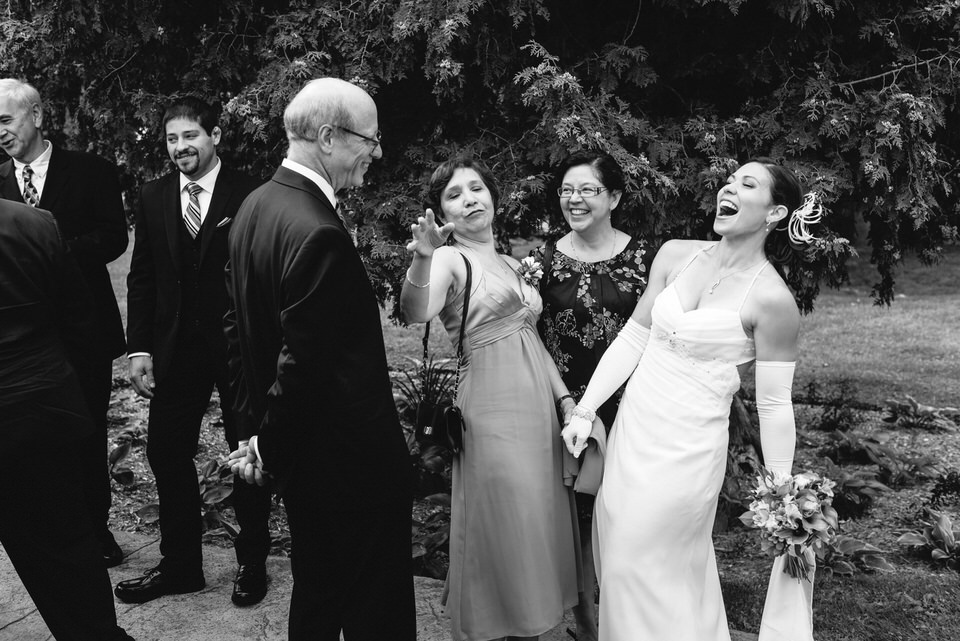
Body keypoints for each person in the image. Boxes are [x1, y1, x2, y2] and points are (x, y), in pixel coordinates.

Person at [562, 158, 823, 641]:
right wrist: (586, 407)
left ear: (774, 213)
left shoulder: (773, 301)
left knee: (646, 557)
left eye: (747, 184)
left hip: (688, 450)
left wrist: (783, 489)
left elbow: (773, 405)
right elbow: (633, 338)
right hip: (634, 433)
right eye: (729, 179)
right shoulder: (676, 254)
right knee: (618, 557)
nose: (729, 187)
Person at [224, 77, 415, 640]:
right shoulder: (319, 231)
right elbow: (303, 365)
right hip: (349, 468)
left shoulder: (255, 206)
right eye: (369, 140)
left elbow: (236, 338)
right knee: (372, 612)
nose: (376, 154)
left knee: (318, 597)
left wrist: (259, 439)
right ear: (328, 137)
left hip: (304, 461)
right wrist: (268, 442)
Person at [401, 156, 581, 641]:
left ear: (494, 199)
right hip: (492, 406)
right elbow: (417, 310)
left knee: (537, 515)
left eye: (476, 188)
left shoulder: (510, 264)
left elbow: (531, 338)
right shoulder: (448, 259)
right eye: (453, 194)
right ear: (442, 212)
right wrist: (422, 256)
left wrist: (564, 400)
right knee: (508, 516)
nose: (469, 199)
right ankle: (496, 623)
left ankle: (531, 621)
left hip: (537, 408)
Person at [116, 97, 272, 606]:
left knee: (246, 451)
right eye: (171, 139)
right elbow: (142, 277)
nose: (180, 147)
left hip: (237, 348)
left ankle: (252, 562)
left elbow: (264, 273)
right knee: (165, 450)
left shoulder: (250, 191)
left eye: (190, 136)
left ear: (216, 135)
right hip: (175, 349)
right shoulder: (155, 194)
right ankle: (181, 564)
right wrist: (139, 346)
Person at [0, 77, 128, 567]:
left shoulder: (91, 170)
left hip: (82, 330)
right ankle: (43, 534)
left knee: (88, 433)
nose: (2, 132)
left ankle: (97, 531)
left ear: (36, 115)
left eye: (7, 120)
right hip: (19, 342)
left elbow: (114, 237)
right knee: (29, 441)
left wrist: (52, 251)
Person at [0, 198, 134, 641]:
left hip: (32, 401)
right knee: (66, 542)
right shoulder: (34, 224)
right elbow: (78, 320)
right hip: (42, 408)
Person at [531, 150, 652, 641]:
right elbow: (528, 337)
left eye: (587, 190)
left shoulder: (646, 258)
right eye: (566, 190)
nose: (574, 199)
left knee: (629, 517)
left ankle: (633, 621)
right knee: (578, 520)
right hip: (566, 409)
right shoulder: (540, 263)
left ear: (615, 197)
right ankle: (586, 626)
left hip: (634, 409)